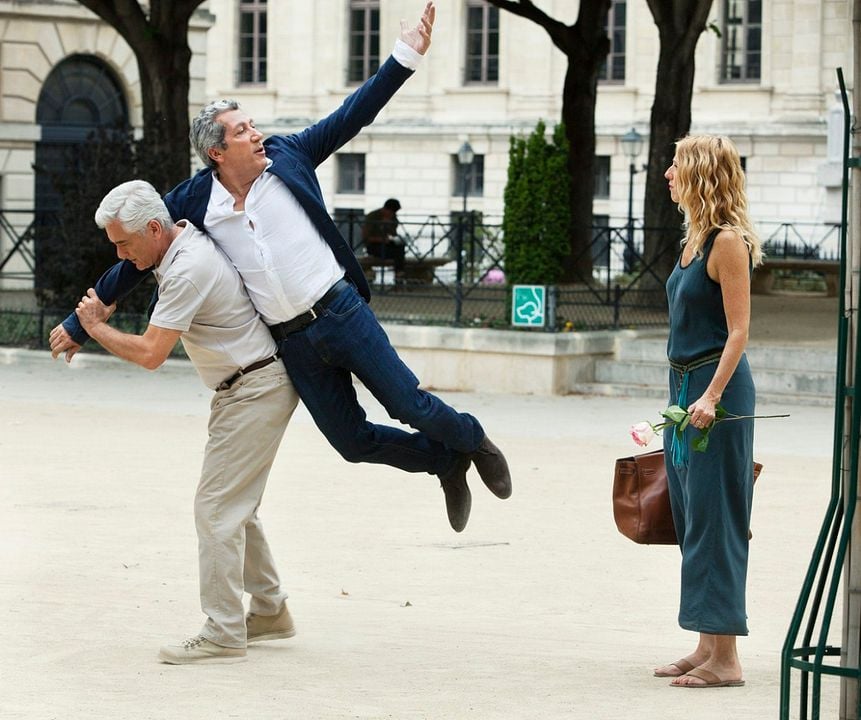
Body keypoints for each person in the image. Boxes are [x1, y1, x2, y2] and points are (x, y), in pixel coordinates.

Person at [49, 1, 511, 534]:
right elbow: (139, 254)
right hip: (292, 342)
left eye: (252, 125)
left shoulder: (290, 155)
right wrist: (80, 321)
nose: (256, 134)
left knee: (410, 404)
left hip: (340, 311)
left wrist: (405, 55)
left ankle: (474, 440)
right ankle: (444, 463)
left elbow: (353, 114)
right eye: (242, 130)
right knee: (351, 442)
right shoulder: (195, 200)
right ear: (216, 152)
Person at [70, 180, 300, 665]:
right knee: (235, 508)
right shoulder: (179, 248)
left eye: (124, 244)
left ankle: (224, 631)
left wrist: (94, 327)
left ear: (155, 229)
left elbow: (151, 353)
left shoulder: (187, 269)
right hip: (249, 385)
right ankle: (269, 610)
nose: (120, 255)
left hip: (253, 389)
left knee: (215, 510)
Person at [653, 135, 762, 688]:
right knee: (693, 518)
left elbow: (739, 331)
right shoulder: (693, 240)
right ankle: (706, 643)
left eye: (676, 165)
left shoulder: (727, 243)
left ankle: (727, 659)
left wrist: (711, 396)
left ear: (699, 174)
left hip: (714, 393)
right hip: (684, 389)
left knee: (717, 518)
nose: (668, 174)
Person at [362, 198, 406, 276]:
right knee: (396, 252)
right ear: (386, 209)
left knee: (400, 247)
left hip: (386, 244)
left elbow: (393, 233)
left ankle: (399, 271)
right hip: (373, 245)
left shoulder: (393, 218)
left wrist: (389, 226)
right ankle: (398, 270)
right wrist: (380, 239)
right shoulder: (372, 216)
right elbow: (366, 237)